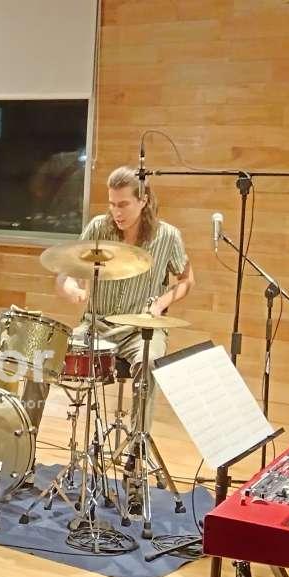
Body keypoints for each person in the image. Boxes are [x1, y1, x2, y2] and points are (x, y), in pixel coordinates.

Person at [55, 167, 194, 431]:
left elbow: (187, 280)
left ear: (143, 201)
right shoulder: (98, 227)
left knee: (148, 363)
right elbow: (66, 271)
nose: (116, 212)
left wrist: (160, 304)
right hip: (96, 325)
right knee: (45, 356)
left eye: (123, 204)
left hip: (140, 330)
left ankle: (137, 446)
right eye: (112, 204)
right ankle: (26, 443)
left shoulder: (168, 236)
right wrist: (71, 286)